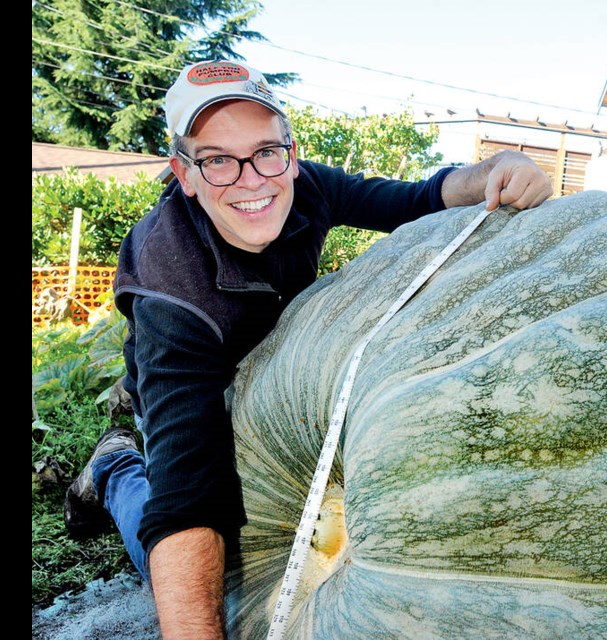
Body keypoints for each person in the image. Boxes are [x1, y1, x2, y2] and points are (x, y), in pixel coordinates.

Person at [63, 59, 552, 638]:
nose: (251, 179)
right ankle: (116, 466)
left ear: (289, 154)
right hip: (197, 388)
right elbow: (187, 498)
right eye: (218, 159)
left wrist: (497, 168)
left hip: (274, 378)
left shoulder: (296, 183)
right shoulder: (170, 285)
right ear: (185, 173)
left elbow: (412, 199)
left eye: (266, 151)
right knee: (215, 580)